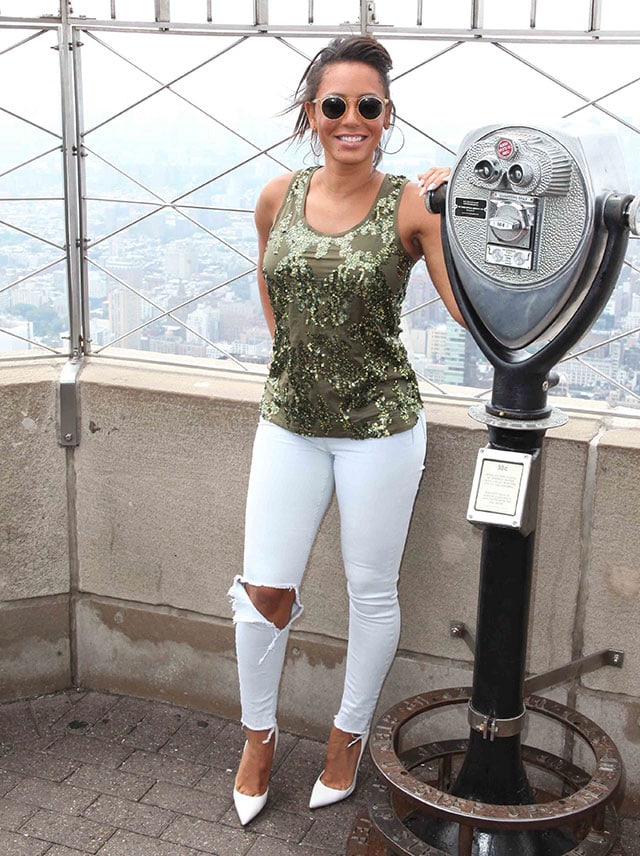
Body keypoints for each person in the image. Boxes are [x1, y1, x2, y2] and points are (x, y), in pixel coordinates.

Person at [229, 34, 466, 826]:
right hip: (290, 422)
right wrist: (294, 361)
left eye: (369, 106)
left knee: (371, 592)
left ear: (387, 115)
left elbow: (466, 309)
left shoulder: (409, 204)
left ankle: (346, 737)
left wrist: (456, 205)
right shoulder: (277, 194)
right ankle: (257, 739)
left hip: (380, 428)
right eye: (336, 105)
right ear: (312, 114)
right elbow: (269, 282)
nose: (351, 118)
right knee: (263, 587)